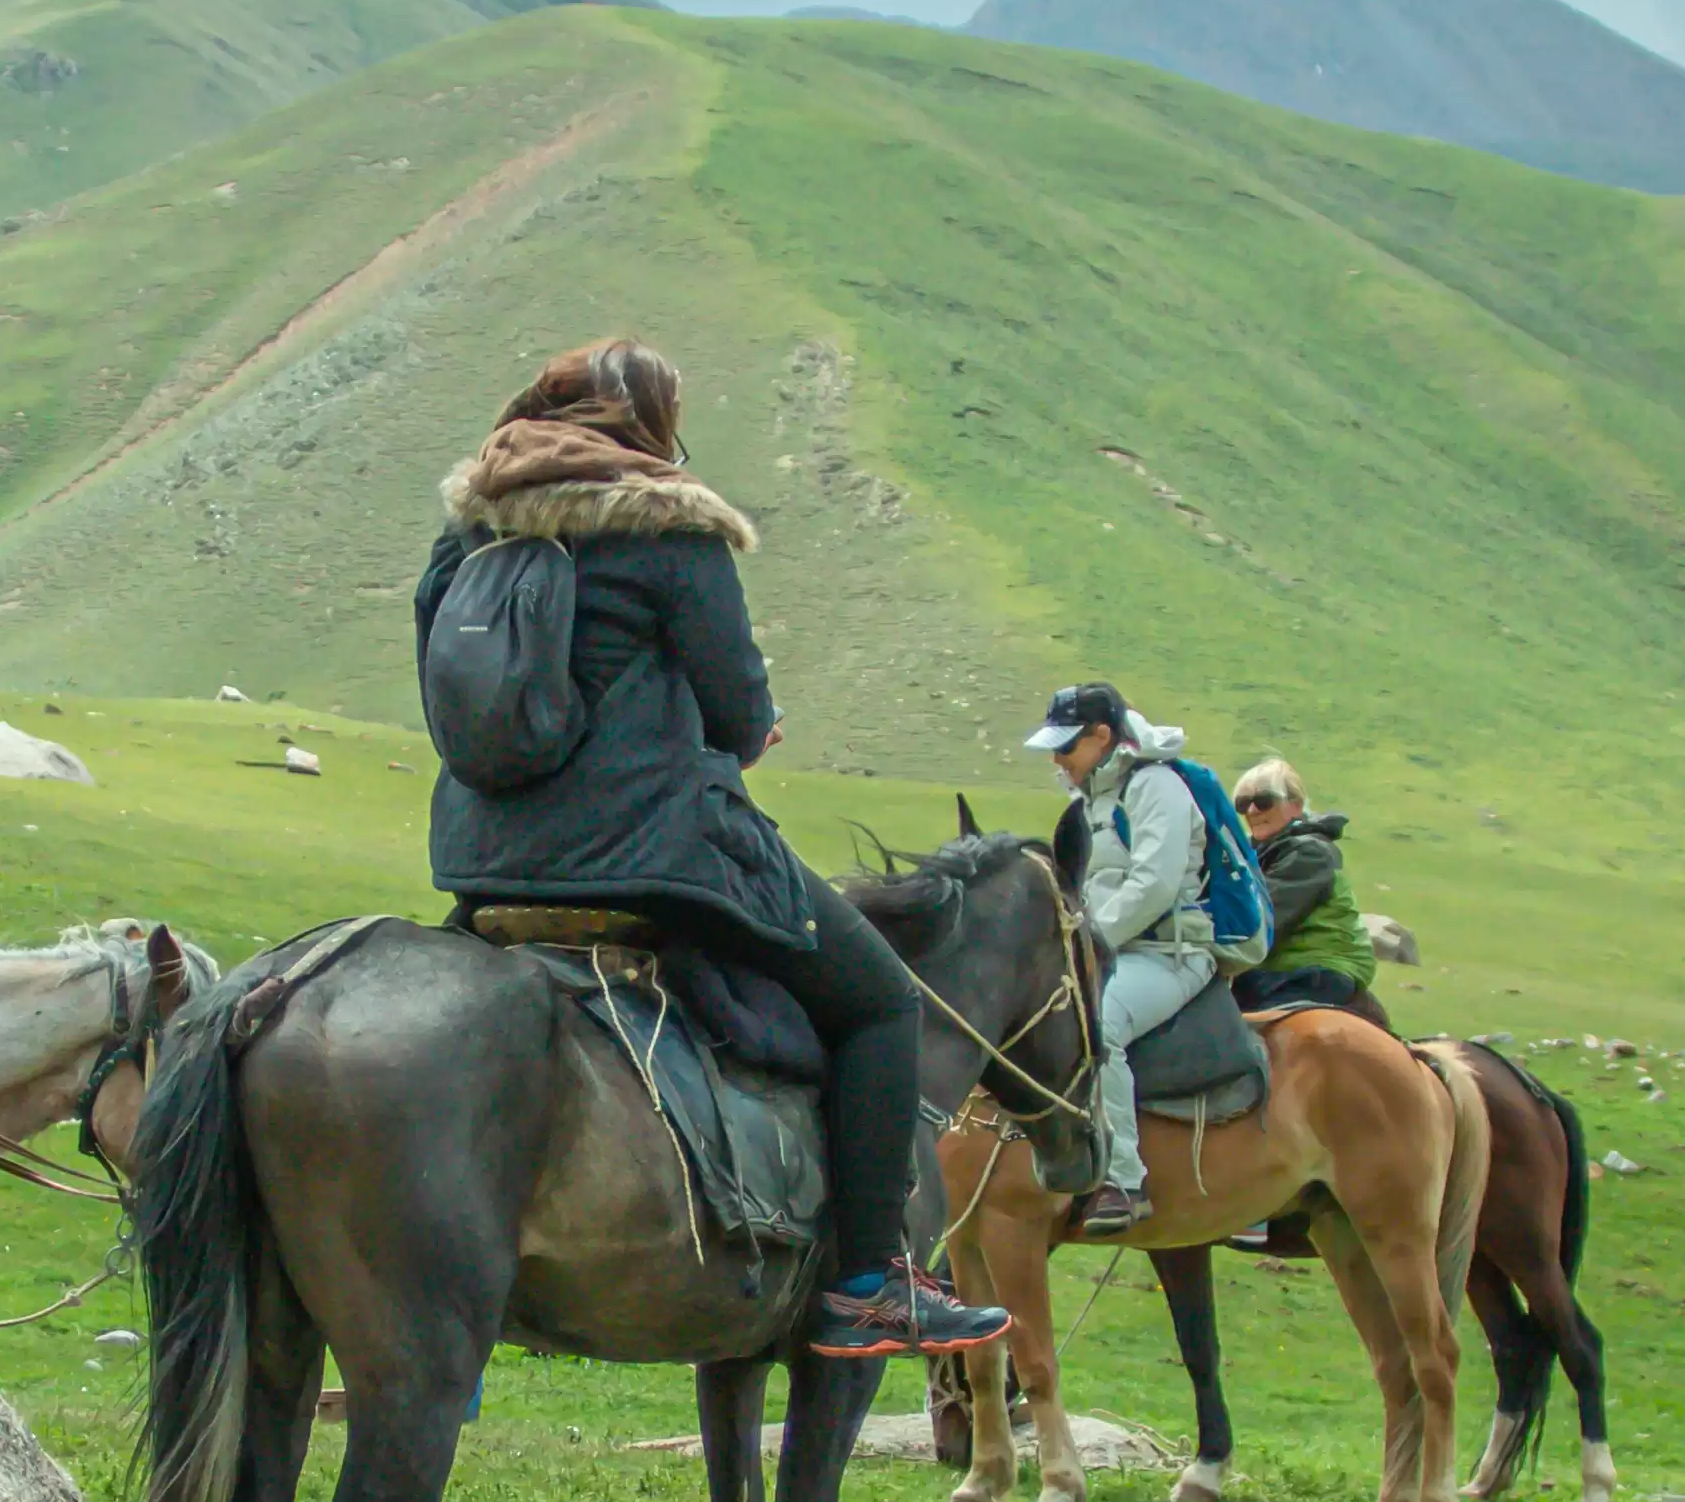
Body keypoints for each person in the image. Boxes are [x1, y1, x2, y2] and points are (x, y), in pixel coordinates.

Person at [415, 340, 1008, 1361]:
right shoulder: (671, 531)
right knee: (881, 1002)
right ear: (652, 428)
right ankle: (871, 1285)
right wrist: (746, 731)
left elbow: (449, 684)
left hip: (484, 858)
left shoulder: (468, 530)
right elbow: (735, 713)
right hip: (653, 856)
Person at [1032, 678, 1263, 1239]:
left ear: (1102, 736)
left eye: (1066, 746)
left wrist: (1086, 943)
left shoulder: (1157, 786)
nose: (1058, 760)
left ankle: (1123, 1181)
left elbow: (1153, 886)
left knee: (1097, 1023)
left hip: (1171, 955)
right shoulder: (1091, 796)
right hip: (1116, 949)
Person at [1225, 758, 1389, 1025]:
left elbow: (1262, 920)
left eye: (1264, 801)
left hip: (1313, 969)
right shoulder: (1257, 853)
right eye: (1243, 803)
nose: (1252, 811)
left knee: (1237, 1034)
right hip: (1279, 969)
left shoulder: (1308, 853)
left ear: (1296, 805)